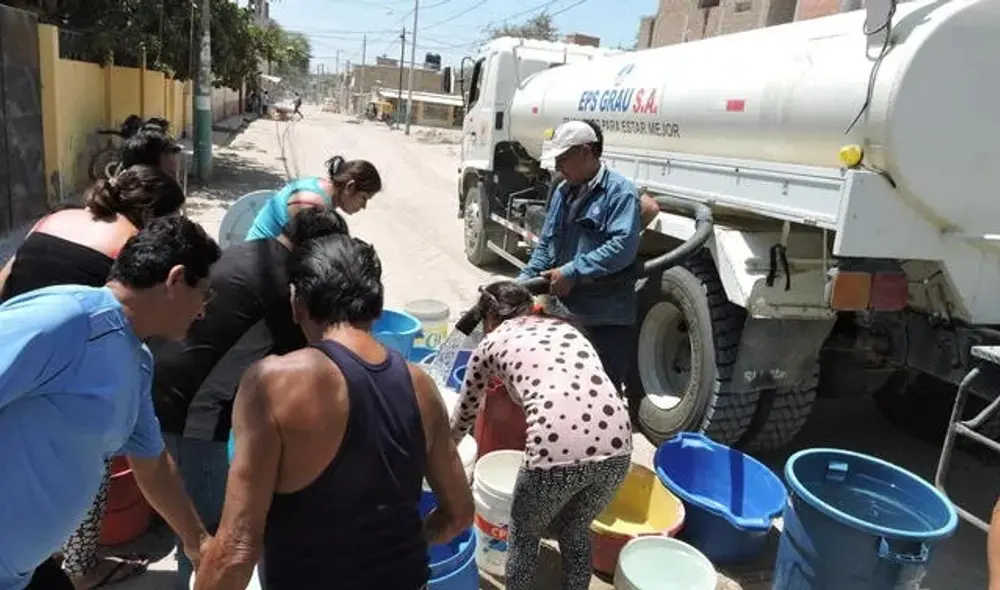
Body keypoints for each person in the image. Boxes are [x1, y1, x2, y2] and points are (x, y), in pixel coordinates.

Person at [196, 234, 474, 590]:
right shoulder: (420, 386)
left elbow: (237, 550)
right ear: (376, 307)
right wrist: (406, 547)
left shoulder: (272, 384)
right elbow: (459, 513)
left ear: (297, 303)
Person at [0, 215, 221, 590]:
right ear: (176, 280)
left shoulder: (137, 360)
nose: (203, 311)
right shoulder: (67, 320)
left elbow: (152, 464)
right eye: (205, 294)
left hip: (25, 570)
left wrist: (197, 542)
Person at [151, 208, 349, 590]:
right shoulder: (282, 287)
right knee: (209, 531)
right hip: (192, 408)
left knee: (186, 502)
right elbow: (304, 368)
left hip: (166, 376)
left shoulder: (252, 249)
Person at [450, 280, 632, 590]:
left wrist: (442, 457)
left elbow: (464, 416)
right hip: (619, 447)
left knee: (524, 536)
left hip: (555, 454)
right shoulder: (568, 330)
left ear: (490, 319)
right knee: (575, 528)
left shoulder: (491, 344)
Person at [517, 119, 643, 391]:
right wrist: (520, 284)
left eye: (563, 159)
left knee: (601, 392)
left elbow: (623, 247)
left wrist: (573, 271)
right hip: (565, 315)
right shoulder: (563, 191)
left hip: (605, 320)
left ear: (586, 152)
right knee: (563, 389)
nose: (557, 166)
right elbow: (547, 244)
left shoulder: (619, 193)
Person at [244, 155, 382, 241]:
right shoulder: (313, 203)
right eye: (364, 198)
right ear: (350, 187)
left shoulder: (323, 189)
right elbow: (303, 253)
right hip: (259, 261)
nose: (364, 206)